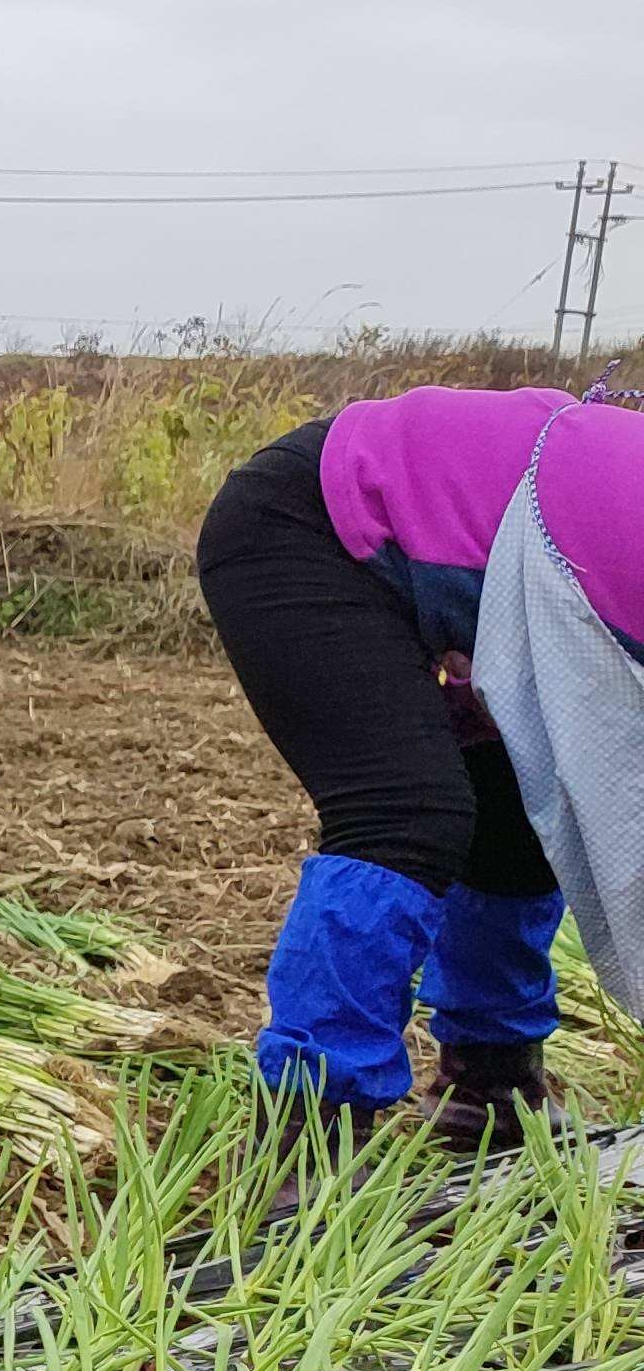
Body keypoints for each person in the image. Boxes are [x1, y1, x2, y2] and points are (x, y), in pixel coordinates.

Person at [196, 380, 644, 1146]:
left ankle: (490, 1082)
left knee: (518, 808)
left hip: (473, 568)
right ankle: (309, 1132)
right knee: (406, 812)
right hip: (313, 526)